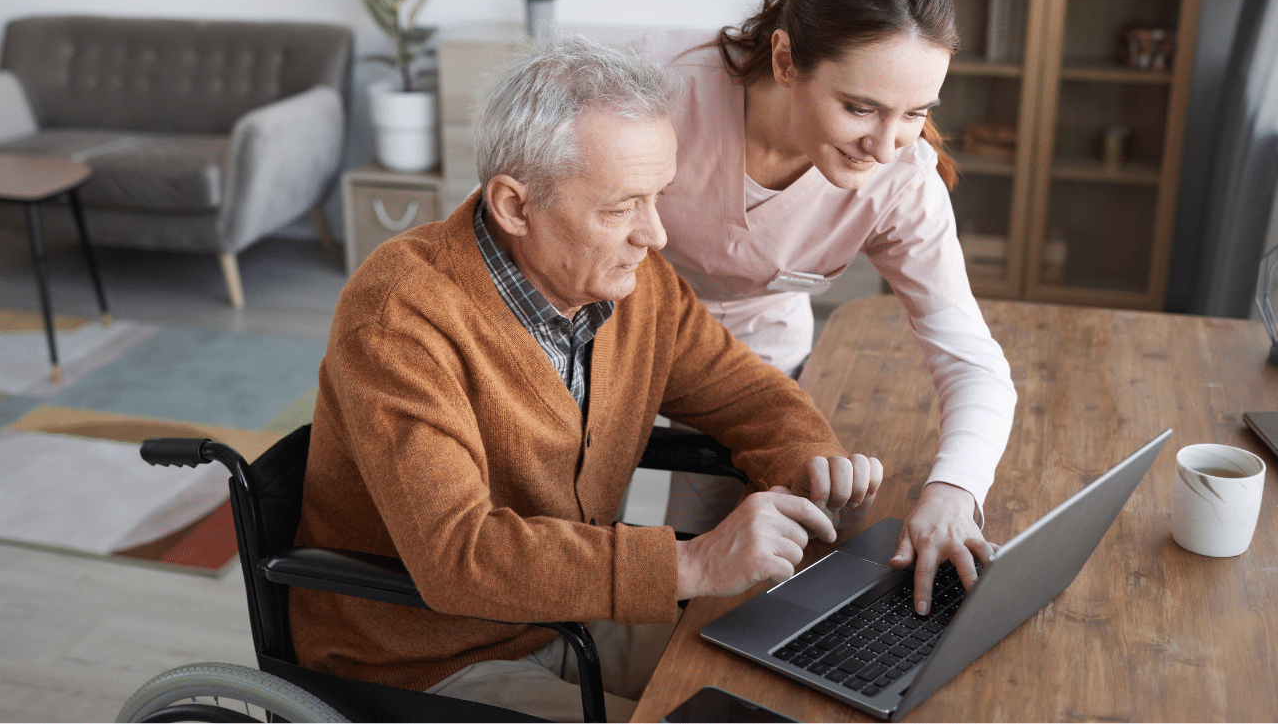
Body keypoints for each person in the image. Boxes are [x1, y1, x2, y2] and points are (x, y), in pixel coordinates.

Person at [288, 35, 883, 723]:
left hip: (571, 617)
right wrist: (690, 564)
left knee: (788, 684)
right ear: (515, 206)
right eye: (620, 207)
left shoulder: (636, 285)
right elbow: (458, 553)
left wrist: (811, 459)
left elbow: (744, 391)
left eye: (658, 196)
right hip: (424, 659)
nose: (654, 234)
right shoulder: (400, 314)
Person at [630, 0, 1017, 617]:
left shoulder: (900, 180)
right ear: (785, 60)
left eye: (917, 111)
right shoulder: (656, 92)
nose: (886, 144)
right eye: (861, 107)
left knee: (727, 581)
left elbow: (970, 359)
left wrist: (954, 489)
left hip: (754, 361)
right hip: (613, 335)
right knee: (582, 533)